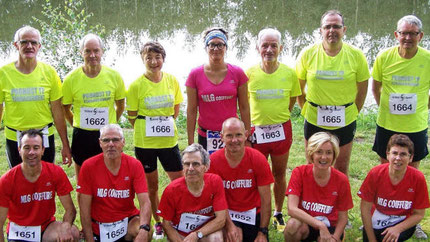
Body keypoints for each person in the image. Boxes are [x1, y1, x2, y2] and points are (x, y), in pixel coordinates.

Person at [371, 16, 430, 239]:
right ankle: (379, 213)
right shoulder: (384, 56)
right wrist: (384, 108)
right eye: (403, 33)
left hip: (415, 126)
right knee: (384, 170)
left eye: (412, 33)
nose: (407, 37)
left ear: (420, 36)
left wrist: (422, 107)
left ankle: (414, 221)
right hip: (387, 124)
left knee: (413, 172)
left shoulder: (427, 58)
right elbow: (376, 87)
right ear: (396, 34)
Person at [296, 10, 370, 175]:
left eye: (336, 26)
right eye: (327, 26)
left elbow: (363, 89)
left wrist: (352, 110)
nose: (332, 31)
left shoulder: (356, 55)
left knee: (341, 167)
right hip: (315, 117)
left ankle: (338, 200)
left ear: (344, 30)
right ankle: (312, 200)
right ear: (320, 30)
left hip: (344, 119)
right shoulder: (307, 54)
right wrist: (306, 109)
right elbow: (298, 89)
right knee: (312, 165)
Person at [126, 41, 183, 240]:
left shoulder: (172, 81)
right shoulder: (135, 85)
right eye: (148, 57)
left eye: (157, 57)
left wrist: (161, 125)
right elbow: (132, 116)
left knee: (179, 181)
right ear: (143, 60)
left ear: (163, 59)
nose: (153, 61)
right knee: (151, 186)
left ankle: (178, 217)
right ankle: (158, 222)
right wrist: (148, 128)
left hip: (168, 141)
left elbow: (175, 110)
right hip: (146, 143)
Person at [246, 27, 301, 232]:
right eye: (265, 45)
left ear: (281, 48)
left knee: (278, 174)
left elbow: (292, 101)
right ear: (258, 47)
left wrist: (276, 120)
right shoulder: (249, 73)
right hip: (256, 132)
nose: (269, 49)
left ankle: (278, 213)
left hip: (281, 130)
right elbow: (243, 103)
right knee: (256, 175)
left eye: (273, 46)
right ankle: (257, 212)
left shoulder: (289, 73)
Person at [0, 26, 71, 168]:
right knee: (18, 181)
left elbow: (57, 111)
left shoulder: (49, 72)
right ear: (16, 45)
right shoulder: (4, 73)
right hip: (15, 138)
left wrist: (65, 144)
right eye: (24, 42)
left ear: (39, 46)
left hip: (44, 136)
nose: (29, 46)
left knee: (45, 180)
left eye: (33, 43)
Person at [63, 33, 126, 181]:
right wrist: (76, 124)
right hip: (82, 135)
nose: (92, 55)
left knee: (109, 176)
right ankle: (84, 204)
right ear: (81, 53)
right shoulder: (70, 79)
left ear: (102, 52)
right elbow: (65, 108)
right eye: (88, 51)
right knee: (83, 179)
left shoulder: (114, 76)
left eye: (96, 51)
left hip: (107, 135)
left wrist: (110, 123)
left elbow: (120, 105)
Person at [0, 129, 79, 242]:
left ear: (42, 150)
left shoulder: (55, 172)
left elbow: (70, 209)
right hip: (20, 231)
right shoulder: (7, 180)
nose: (31, 152)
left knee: (73, 232)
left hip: (46, 228)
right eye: (26, 148)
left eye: (36, 148)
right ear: (19, 150)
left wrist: (65, 226)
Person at [78, 124, 151, 242]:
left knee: (143, 230)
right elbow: (84, 208)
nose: (111, 144)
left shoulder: (135, 165)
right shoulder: (88, 166)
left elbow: (145, 202)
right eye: (106, 140)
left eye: (115, 140)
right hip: (99, 226)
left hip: (127, 223)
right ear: (100, 143)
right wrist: (89, 238)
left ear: (123, 142)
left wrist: (144, 230)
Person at [186, 27, 251, 154]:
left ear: (226, 47)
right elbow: (192, 110)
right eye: (212, 45)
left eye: (220, 45)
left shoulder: (238, 73)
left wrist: (247, 137)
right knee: (208, 171)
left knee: (232, 171)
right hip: (206, 135)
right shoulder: (195, 74)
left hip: (232, 135)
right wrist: (190, 142)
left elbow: (244, 107)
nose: (216, 49)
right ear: (206, 47)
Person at [208, 117, 274, 242]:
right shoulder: (214, 161)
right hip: (227, 213)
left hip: (253, 214)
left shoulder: (258, 159)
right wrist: (229, 225)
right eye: (229, 136)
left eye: (238, 135)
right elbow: (214, 200)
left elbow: (266, 200)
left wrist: (263, 231)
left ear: (246, 135)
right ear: (221, 137)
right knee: (234, 237)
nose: (234, 140)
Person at [358, 134, 430, 242]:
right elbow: (365, 208)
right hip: (377, 218)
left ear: (410, 158)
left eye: (403, 154)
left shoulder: (417, 178)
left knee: (388, 239)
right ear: (387, 154)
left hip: (402, 221)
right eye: (394, 153)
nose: (398, 158)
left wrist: (398, 229)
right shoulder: (375, 173)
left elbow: (419, 214)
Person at [284, 132, 353, 242]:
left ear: (334, 155)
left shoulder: (341, 179)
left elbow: (343, 217)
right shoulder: (299, 172)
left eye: (329, 153)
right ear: (311, 154)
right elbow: (292, 209)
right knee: (292, 225)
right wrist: (320, 225)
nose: (324, 157)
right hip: (306, 223)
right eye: (319, 152)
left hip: (330, 226)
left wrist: (335, 238)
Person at [157, 143, 228, 241]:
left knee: (216, 238)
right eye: (187, 164)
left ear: (205, 167)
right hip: (181, 234)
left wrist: (197, 234)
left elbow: (221, 219)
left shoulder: (215, 182)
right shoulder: (171, 189)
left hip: (205, 232)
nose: (190, 168)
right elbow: (166, 224)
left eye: (196, 164)